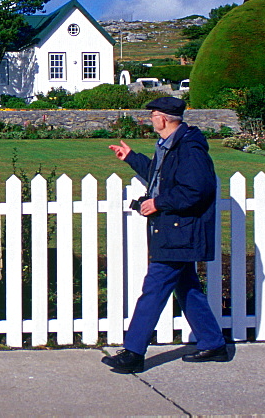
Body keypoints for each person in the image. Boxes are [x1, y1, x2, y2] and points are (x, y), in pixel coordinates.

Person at [103, 96, 229, 373]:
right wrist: (132, 158)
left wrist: (158, 203)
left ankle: (133, 353)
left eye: (152, 116)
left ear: (163, 118)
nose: (150, 120)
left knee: (154, 289)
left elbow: (197, 189)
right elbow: (161, 176)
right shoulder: (172, 145)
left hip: (179, 232)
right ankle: (213, 343)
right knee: (187, 288)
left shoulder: (189, 148)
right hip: (175, 230)